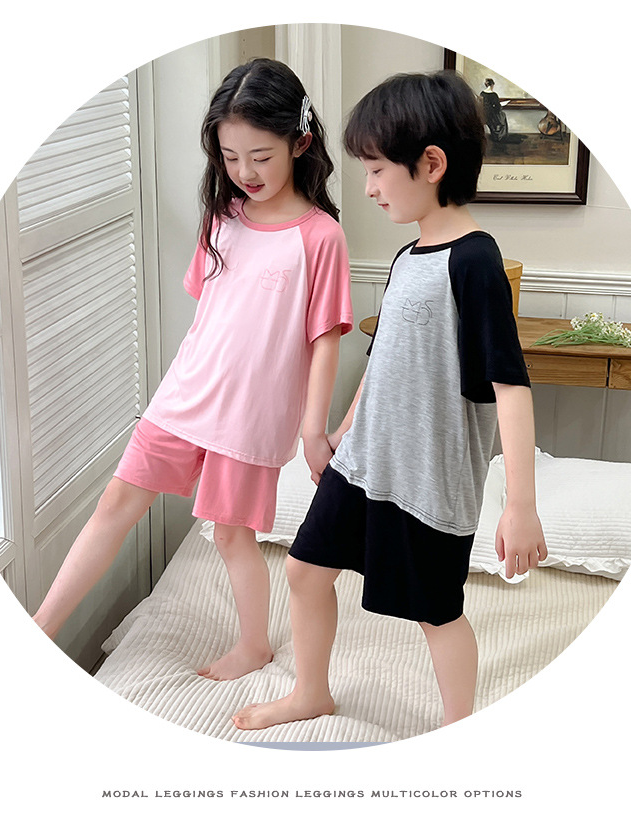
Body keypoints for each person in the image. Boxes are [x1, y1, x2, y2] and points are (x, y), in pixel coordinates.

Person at [232, 70, 547, 731]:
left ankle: (458, 726)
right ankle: (311, 691)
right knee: (304, 570)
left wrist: (520, 504)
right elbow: (384, 364)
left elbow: (510, 386)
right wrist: (342, 432)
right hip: (365, 463)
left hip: (426, 480)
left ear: (430, 164)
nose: (370, 187)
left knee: (438, 612)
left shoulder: (476, 262)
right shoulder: (408, 256)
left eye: (377, 170)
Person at [32, 58, 354, 682]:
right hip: (185, 395)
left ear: (300, 142)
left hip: (251, 415)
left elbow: (324, 341)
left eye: (260, 156)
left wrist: (313, 431)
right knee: (116, 502)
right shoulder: (222, 216)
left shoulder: (321, 236)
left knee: (231, 534)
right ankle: (41, 629)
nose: (245, 172)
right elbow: (211, 315)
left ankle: (254, 645)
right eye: (230, 157)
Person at [481, 77, 509, 143]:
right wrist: (501, 105)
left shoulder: (482, 93)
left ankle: (495, 134)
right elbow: (497, 107)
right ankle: (500, 137)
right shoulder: (494, 95)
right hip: (492, 115)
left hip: (484, 114)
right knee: (503, 115)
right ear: (492, 85)